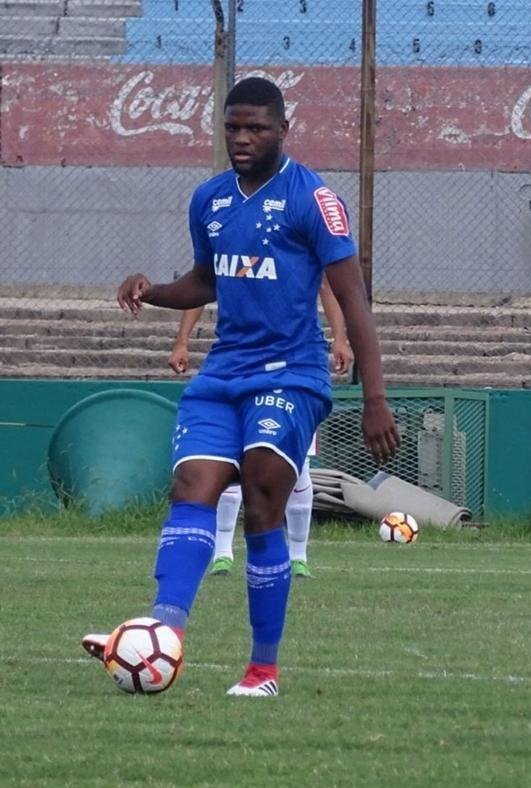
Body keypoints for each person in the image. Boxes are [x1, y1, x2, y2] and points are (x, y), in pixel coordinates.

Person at [81, 76, 400, 697]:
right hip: (224, 371)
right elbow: (207, 280)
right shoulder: (209, 199)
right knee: (192, 485)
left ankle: (262, 671)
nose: (243, 138)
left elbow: (355, 300)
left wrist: (375, 398)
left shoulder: (315, 199)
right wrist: (155, 293)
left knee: (259, 496)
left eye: (256, 128)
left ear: (284, 129)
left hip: (292, 375)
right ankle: (163, 632)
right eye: (233, 128)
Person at [168, 287, 355, 578]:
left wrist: (340, 337)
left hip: (291, 375)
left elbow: (330, 286)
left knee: (296, 468)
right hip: (236, 370)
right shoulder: (226, 243)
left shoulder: (300, 245)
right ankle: (222, 553)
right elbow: (203, 283)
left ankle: (298, 555)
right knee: (228, 466)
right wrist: (181, 341)